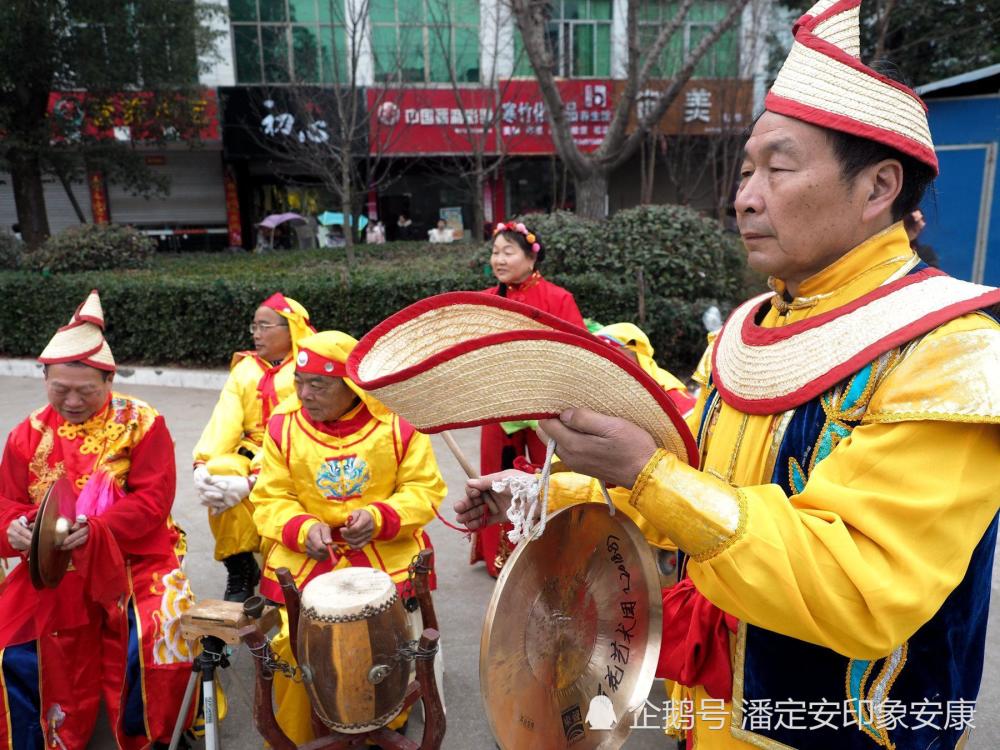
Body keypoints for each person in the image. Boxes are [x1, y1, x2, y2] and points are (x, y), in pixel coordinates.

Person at [457, 1, 1000, 747]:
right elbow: (698, 489)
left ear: (878, 189)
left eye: (778, 168)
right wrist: (553, 488)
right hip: (709, 717)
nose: (745, 196)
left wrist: (647, 474)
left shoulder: (951, 354)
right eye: (747, 170)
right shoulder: (749, 332)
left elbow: (860, 586)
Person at [0, 291, 195, 750]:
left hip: (133, 554)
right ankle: (50, 737)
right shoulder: (26, 434)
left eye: (85, 391)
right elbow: (6, 502)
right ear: (44, 377)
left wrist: (100, 530)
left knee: (155, 633)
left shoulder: (143, 422)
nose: (71, 400)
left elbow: (153, 501)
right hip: (51, 565)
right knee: (15, 648)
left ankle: (155, 736)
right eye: (59, 389)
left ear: (109, 380)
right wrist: (14, 529)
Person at [251, 330, 447, 746]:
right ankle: (302, 732)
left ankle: (387, 720)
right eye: (299, 382)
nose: (304, 394)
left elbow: (424, 489)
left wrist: (379, 517)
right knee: (293, 646)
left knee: (394, 643)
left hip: (383, 554)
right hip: (308, 557)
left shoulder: (397, 423)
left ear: (352, 384)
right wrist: (303, 528)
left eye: (318, 384)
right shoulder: (283, 426)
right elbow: (270, 496)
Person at [472, 219, 586, 578]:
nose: (499, 259)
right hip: (498, 404)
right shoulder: (486, 301)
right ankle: (501, 558)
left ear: (531, 258)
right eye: (495, 252)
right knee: (496, 478)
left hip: (546, 407)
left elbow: (578, 350)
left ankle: (551, 550)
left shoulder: (558, 299)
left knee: (548, 476)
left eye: (509, 252)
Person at [192, 292, 315, 602]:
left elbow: (297, 427)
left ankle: (276, 569)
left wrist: (252, 480)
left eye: (264, 326)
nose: (257, 334)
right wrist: (203, 464)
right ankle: (240, 567)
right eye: (254, 327)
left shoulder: (306, 371)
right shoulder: (245, 369)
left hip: (295, 450)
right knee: (220, 472)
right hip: (251, 449)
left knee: (250, 487)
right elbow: (226, 419)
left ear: (291, 329)